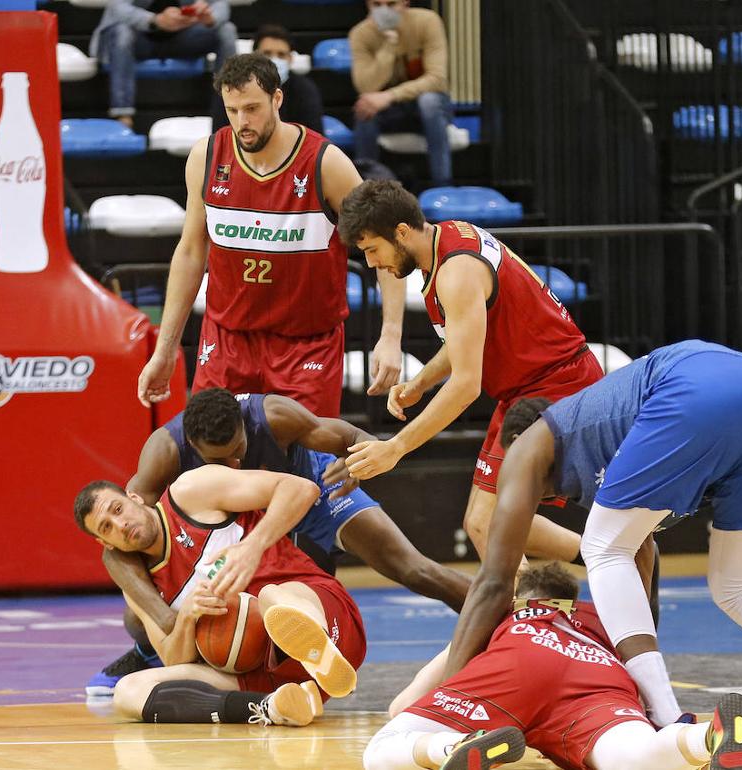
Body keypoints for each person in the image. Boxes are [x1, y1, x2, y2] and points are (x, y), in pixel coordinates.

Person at [443, 340, 742, 770]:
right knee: (738, 587)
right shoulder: (600, 445)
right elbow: (642, 558)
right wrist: (638, 669)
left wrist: (448, 700)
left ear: (517, 440)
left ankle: (667, 717)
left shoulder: (531, 443)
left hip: (696, 384)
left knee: (601, 546)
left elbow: (494, 580)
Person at [87, 387, 472, 695]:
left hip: (313, 490)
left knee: (412, 568)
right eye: (220, 461)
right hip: (245, 512)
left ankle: (496, 619)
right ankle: (148, 654)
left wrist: (359, 461)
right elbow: (118, 550)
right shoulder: (164, 451)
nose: (234, 464)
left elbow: (354, 437)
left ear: (244, 427)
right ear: (190, 444)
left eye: (238, 451)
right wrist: (165, 619)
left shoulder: (274, 415)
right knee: (139, 610)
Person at [338, 178, 603, 565]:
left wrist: (396, 447)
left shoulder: (456, 273)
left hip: (557, 385)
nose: (371, 263)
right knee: (486, 521)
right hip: (530, 387)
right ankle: (606, 558)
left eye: (373, 249)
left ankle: (577, 580)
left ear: (401, 231)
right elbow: (467, 335)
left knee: (488, 522)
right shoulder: (445, 238)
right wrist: (421, 382)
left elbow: (465, 386)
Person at [137, 54, 407, 418]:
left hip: (305, 346)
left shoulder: (325, 163)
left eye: (252, 108)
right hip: (227, 340)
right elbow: (190, 251)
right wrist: (166, 346)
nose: (242, 122)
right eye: (232, 110)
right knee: (207, 452)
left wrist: (390, 334)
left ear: (277, 99)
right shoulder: (207, 157)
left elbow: (389, 243)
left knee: (305, 455)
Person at [364, 563, 742, 770]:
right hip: (599, 677)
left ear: (521, 599)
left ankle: (451, 747)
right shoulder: (601, 617)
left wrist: (447, 716)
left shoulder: (506, 614)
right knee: (633, 758)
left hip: (518, 665)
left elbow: (402, 705)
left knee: (381, 750)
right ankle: (707, 736)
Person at [73, 465, 366, 726]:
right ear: (105, 543)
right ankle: (271, 707)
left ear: (134, 498)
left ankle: (320, 649)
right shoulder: (139, 587)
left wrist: (252, 547)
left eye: (117, 509)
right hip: (267, 676)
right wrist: (187, 617)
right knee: (128, 692)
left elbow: (301, 488)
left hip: (327, 616)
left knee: (270, 597)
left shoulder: (189, 493)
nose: (120, 525)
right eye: (107, 527)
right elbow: (175, 660)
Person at [349, 0, 453, 184]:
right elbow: (365, 87)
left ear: (405, 3)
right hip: (389, 111)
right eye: (377, 5)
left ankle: (442, 184)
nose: (384, 11)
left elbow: (437, 79)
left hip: (427, 106)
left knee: (429, 101)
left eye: (391, 4)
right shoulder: (360, 33)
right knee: (365, 107)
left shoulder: (427, 21)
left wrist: (390, 95)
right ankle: (364, 186)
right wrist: (389, 45)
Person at [90, 0, 236, 128]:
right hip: (139, 40)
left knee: (226, 30)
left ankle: (228, 116)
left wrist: (209, 18)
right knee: (121, 33)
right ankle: (122, 116)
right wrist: (155, 20)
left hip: (184, 38)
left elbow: (221, 6)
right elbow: (117, 8)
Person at [212, 26, 324, 134]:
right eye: (267, 53)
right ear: (254, 55)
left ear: (290, 58)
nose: (274, 60)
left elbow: (313, 136)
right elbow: (220, 138)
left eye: (281, 55)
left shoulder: (305, 90)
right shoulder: (231, 88)